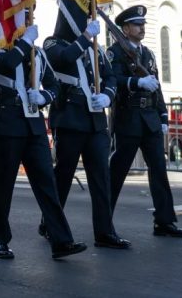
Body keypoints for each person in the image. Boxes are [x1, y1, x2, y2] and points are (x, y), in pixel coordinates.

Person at [0, 21, 87, 260]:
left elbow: (54, 85)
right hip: (8, 124)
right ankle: (0, 240)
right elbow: (7, 65)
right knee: (3, 186)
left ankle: (61, 240)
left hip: (34, 125)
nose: (24, 23)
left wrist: (45, 95)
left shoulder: (38, 52)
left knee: (47, 185)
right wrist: (25, 42)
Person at [43, 18, 131, 250]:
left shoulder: (96, 48)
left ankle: (104, 232)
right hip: (70, 119)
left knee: (101, 178)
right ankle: (51, 223)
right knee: (63, 175)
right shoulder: (53, 43)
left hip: (95, 121)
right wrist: (85, 37)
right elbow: (64, 58)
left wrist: (108, 96)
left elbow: (110, 76)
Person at [106, 5, 182, 238]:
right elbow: (113, 80)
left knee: (159, 172)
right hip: (129, 118)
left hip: (150, 119)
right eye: (137, 24)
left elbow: (156, 86)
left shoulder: (148, 54)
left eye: (143, 24)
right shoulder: (114, 53)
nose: (142, 28)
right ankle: (104, 224)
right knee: (117, 173)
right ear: (125, 28)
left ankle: (164, 222)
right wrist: (135, 82)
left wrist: (163, 115)